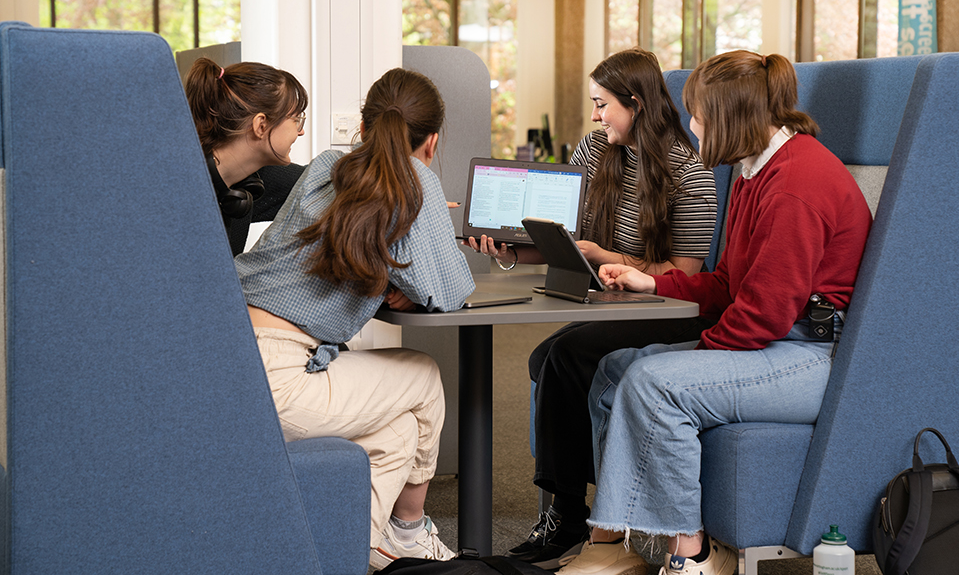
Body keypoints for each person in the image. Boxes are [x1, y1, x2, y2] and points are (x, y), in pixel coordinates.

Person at [557, 50, 872, 575]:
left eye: (698, 114)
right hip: (781, 340)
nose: (692, 125)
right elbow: (729, 284)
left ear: (728, 118)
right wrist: (653, 281)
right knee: (615, 370)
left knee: (654, 381)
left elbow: (764, 315)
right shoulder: (755, 171)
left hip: (815, 354)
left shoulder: (797, 183)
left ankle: (694, 555)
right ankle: (612, 541)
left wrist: (686, 358)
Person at [477, 49, 718, 569]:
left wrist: (609, 257)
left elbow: (686, 277)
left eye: (602, 104)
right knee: (548, 357)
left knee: (565, 356)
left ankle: (571, 517)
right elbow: (568, 237)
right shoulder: (596, 151)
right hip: (613, 301)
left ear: (634, 103)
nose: (594, 117)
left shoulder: (690, 174)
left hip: (668, 308)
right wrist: (513, 249)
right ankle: (575, 510)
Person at [233, 68, 476, 570]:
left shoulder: (326, 163)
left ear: (363, 128)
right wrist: (406, 277)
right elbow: (449, 292)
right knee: (424, 377)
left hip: (231, 354)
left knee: (399, 431)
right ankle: (410, 534)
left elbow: (321, 248)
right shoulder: (418, 181)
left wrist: (391, 276)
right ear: (431, 141)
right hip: (278, 380)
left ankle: (343, 554)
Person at [185, 57, 308, 255]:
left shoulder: (254, 180)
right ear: (261, 125)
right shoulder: (176, 189)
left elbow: (328, 180)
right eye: (296, 120)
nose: (301, 132)